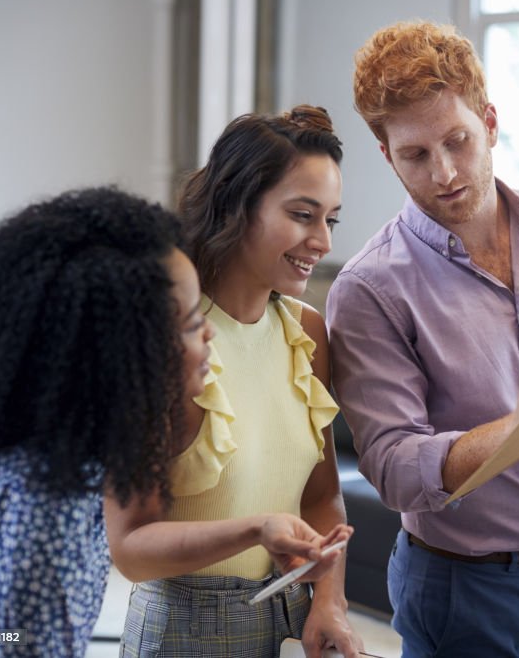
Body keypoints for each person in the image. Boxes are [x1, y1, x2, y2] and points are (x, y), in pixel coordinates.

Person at [326, 21, 519, 657]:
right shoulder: (369, 291)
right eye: (416, 155)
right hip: (463, 590)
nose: (444, 173)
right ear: (387, 156)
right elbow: (391, 470)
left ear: (490, 122)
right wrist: (518, 428)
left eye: (458, 141)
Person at [106, 107, 359, 658]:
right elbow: (130, 550)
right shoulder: (172, 337)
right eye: (302, 214)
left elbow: (321, 496)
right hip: (183, 632)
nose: (321, 241)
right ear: (236, 206)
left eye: (330, 220)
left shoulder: (306, 333)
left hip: (293, 621)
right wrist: (254, 530)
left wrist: (328, 600)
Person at [0, 188, 214, 656]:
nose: (209, 333)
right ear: (125, 353)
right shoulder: (51, 512)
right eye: (192, 323)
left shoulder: (0, 452)